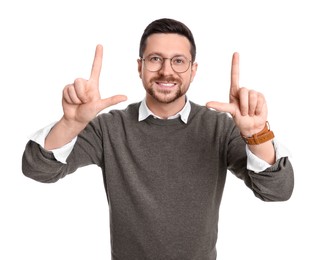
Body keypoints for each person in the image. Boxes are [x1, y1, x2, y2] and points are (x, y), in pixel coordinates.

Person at [22, 18, 294, 260]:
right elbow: (37, 169)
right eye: (155, 59)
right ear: (140, 67)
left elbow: (278, 191)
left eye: (178, 60)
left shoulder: (219, 128)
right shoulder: (109, 128)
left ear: (193, 70)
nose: (167, 71)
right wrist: (71, 123)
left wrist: (256, 134)